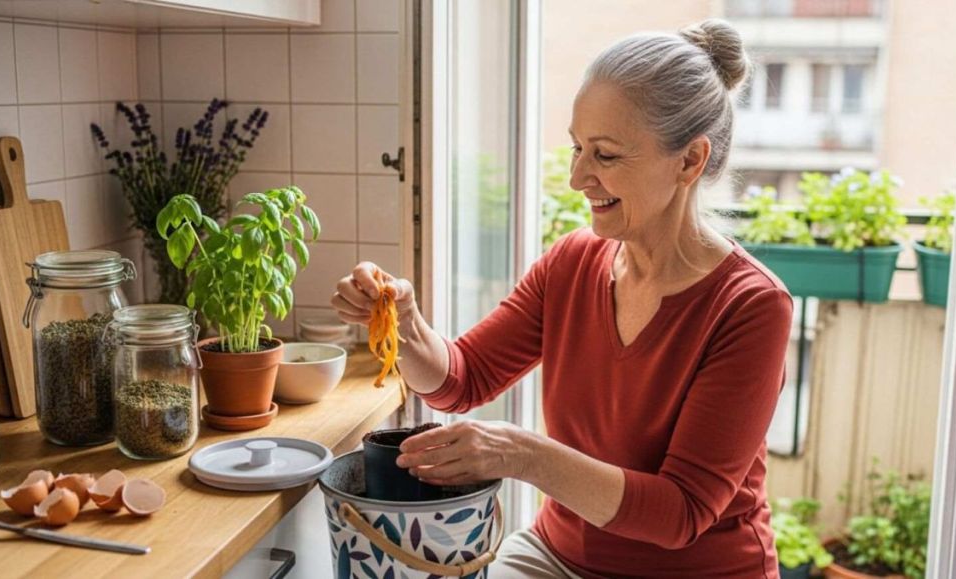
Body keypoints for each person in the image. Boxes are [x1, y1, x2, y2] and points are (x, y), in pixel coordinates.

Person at [332, 19, 793, 579]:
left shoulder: (750, 306)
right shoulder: (572, 262)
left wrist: (521, 453)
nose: (578, 177)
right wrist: (404, 325)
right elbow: (462, 379)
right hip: (559, 556)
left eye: (605, 155)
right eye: (577, 148)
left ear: (690, 161)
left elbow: (682, 513)